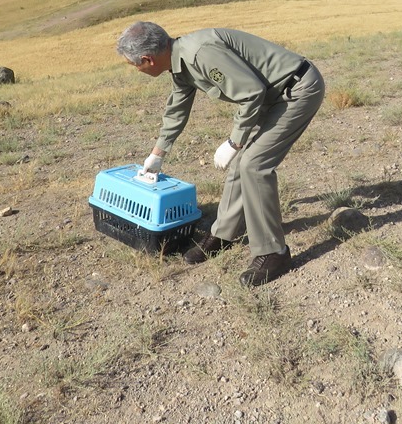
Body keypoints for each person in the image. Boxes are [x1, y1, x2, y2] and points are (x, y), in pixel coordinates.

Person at [116, 21, 325, 286]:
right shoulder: (179, 61)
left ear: (148, 59)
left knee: (253, 165)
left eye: (135, 65)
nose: (137, 70)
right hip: (274, 97)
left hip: (296, 91)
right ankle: (223, 234)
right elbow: (177, 108)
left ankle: (273, 253)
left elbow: (251, 92)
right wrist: (158, 153)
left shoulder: (199, 53)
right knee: (241, 166)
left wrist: (234, 142)